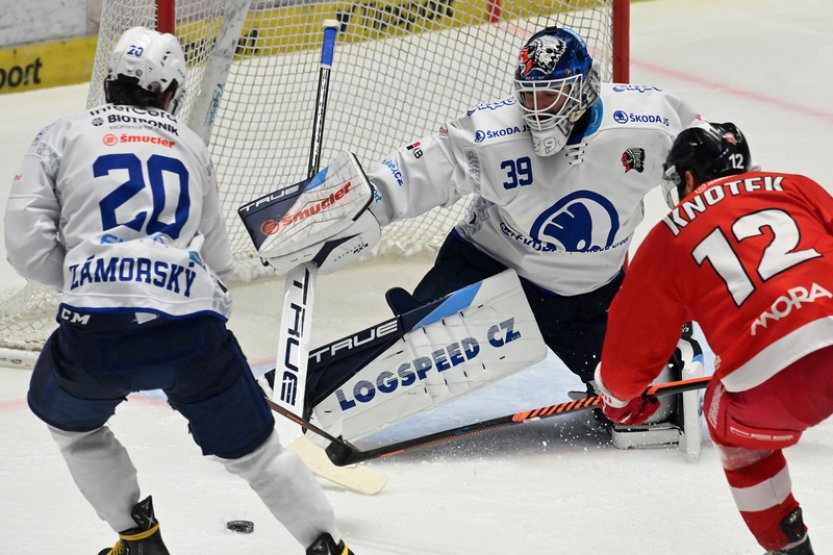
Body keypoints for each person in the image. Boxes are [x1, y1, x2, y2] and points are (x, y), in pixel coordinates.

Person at [4, 27, 353, 555]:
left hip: (94, 334)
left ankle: (139, 540)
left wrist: (92, 278)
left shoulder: (60, 134)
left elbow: (25, 243)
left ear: (109, 81)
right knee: (259, 455)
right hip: (191, 327)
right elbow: (218, 263)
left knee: (74, 429)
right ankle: (331, 549)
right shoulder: (191, 145)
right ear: (170, 93)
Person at [266, 26, 704, 440]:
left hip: (593, 295)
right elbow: (417, 171)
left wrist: (706, 186)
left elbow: (709, 152)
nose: (537, 111)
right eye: (528, 97)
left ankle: (610, 384)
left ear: (584, 90)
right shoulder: (494, 134)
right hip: (493, 269)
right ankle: (288, 395)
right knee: (410, 354)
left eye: (550, 96)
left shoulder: (647, 121)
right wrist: (356, 206)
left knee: (652, 404)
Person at [594, 120, 832, 554]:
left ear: (688, 177)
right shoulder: (797, 186)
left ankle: (789, 546)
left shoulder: (670, 233)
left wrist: (619, 402)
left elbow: (631, 353)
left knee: (726, 421)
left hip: (776, 376)